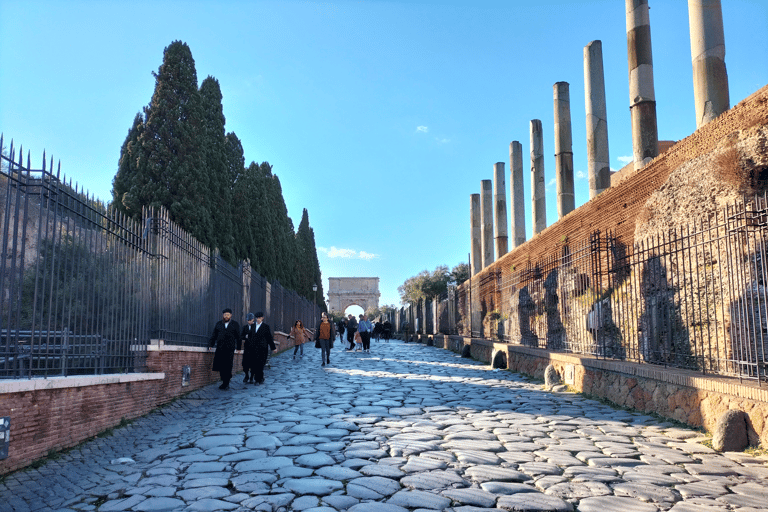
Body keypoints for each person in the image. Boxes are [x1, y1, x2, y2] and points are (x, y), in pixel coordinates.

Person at [208, 308, 241, 390]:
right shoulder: (219, 324)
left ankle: (226, 383)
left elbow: (238, 337)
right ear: (223, 315)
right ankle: (223, 381)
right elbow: (214, 335)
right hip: (220, 348)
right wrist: (210, 344)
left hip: (230, 349)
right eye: (225, 314)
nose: (226, 316)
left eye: (228, 315)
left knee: (228, 366)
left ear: (231, 315)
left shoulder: (235, 324)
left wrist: (239, 347)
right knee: (221, 366)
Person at [251, 312, 276, 384]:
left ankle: (259, 378)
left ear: (262, 318)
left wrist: (273, 348)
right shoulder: (252, 326)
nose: (258, 319)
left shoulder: (266, 327)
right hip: (254, 348)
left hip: (263, 348)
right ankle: (258, 379)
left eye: (259, 318)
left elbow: (269, 338)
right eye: (257, 318)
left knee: (261, 364)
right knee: (255, 364)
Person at [240, 313, 259, 383]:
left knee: (253, 363)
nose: (249, 321)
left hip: (254, 348)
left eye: (251, 320)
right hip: (247, 348)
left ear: (253, 319)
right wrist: (245, 337)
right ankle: (246, 375)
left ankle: (251, 377)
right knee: (245, 363)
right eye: (248, 320)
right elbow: (241, 336)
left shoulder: (256, 327)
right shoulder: (245, 327)